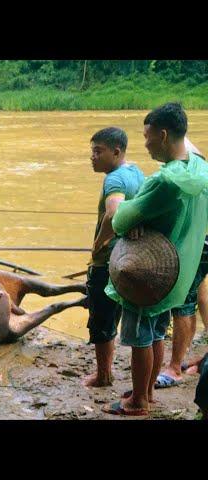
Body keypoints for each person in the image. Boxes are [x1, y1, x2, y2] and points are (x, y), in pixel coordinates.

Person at [102, 103, 208, 416]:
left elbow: (120, 220)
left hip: (149, 272)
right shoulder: (199, 167)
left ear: (163, 136)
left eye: (147, 137)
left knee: (140, 338)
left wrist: (132, 216)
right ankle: (146, 390)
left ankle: (138, 402)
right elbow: (190, 145)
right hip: (178, 272)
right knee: (158, 330)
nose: (145, 144)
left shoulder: (165, 182)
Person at [83, 127, 144, 388]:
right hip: (130, 259)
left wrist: (99, 243)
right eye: (92, 151)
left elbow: (113, 211)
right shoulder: (136, 172)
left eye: (98, 151)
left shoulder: (115, 179)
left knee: (101, 320)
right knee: (124, 318)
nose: (92, 157)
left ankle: (104, 376)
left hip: (108, 261)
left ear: (116, 152)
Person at [156, 139, 208, 387]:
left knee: (184, 304)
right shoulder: (197, 167)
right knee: (200, 294)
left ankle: (175, 367)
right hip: (200, 241)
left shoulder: (188, 169)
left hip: (198, 244)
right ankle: (202, 358)